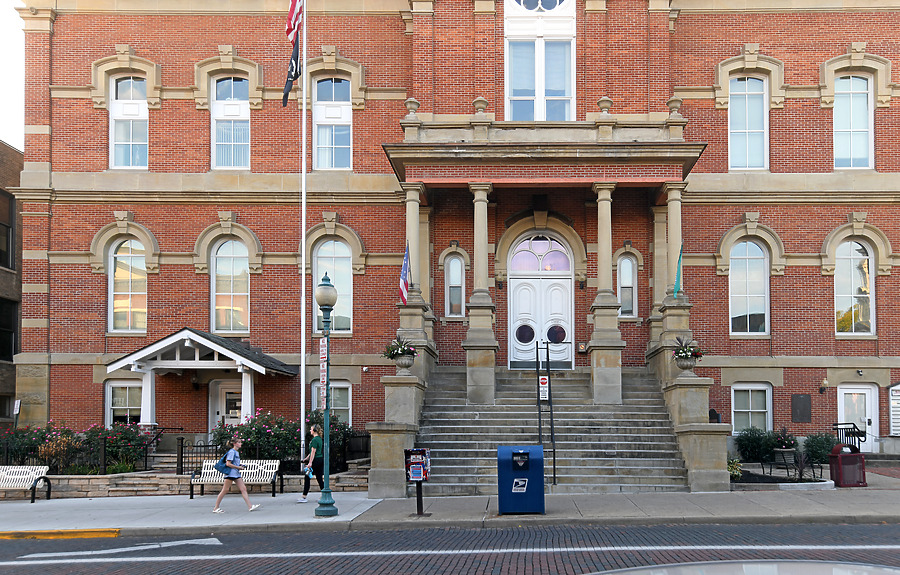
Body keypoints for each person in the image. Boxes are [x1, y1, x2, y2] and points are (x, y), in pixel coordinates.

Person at [213, 438, 261, 513]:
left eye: (240, 442)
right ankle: (216, 508)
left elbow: (234, 463)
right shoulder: (232, 452)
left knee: (243, 489)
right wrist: (238, 467)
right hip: (230, 474)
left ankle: (250, 506)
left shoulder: (236, 452)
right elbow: (228, 464)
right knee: (225, 490)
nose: (240, 444)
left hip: (236, 474)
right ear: (234, 443)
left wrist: (240, 465)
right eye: (239, 442)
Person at [297, 424, 325, 503]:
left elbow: (313, 451)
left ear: (314, 431)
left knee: (307, 477)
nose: (310, 430)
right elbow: (312, 451)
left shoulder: (314, 440)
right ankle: (324, 495)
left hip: (315, 460)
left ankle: (304, 496)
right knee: (319, 478)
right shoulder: (319, 439)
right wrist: (307, 458)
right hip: (320, 459)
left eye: (311, 429)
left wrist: (310, 463)